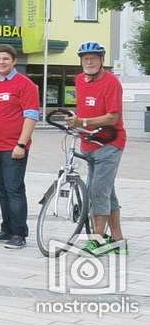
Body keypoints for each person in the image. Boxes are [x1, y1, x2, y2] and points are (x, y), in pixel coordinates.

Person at [0, 44, 39, 249]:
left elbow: (31, 115)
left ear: (13, 61)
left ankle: (19, 233)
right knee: (1, 190)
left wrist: (21, 144)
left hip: (13, 147)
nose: (1, 62)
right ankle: (6, 229)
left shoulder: (26, 84)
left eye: (5, 59)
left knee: (14, 189)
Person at [69, 41, 126, 256]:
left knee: (97, 191)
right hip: (89, 143)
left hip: (110, 143)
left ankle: (98, 239)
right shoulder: (79, 80)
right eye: (85, 58)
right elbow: (83, 108)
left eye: (93, 58)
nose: (89, 61)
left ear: (102, 60)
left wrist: (82, 122)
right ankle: (118, 240)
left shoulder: (112, 82)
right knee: (106, 192)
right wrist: (76, 123)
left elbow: (113, 117)